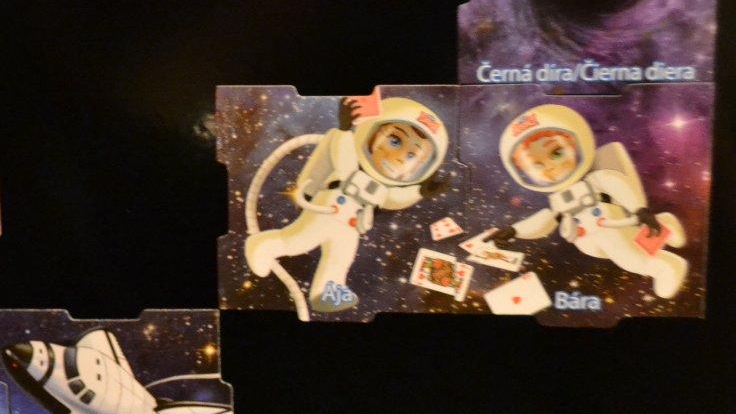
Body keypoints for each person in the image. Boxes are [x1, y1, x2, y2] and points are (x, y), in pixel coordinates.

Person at [246, 95, 449, 312]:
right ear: (372, 133)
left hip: (351, 225)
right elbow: (341, 152)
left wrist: (420, 191)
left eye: (412, 156)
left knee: (340, 260)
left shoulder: (385, 191)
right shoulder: (349, 164)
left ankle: (326, 292)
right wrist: (344, 130)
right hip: (330, 209)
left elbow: (396, 199)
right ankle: (262, 247)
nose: (399, 158)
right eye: (395, 141)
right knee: (299, 241)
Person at [486, 103, 687, 298]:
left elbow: (616, 184)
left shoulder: (594, 180)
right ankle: (664, 225)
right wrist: (515, 231)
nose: (550, 167)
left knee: (630, 259)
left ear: (575, 143)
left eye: (556, 152)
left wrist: (639, 208)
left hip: (605, 223)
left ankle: (665, 267)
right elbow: (545, 221)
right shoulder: (557, 200)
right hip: (590, 238)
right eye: (536, 166)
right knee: (624, 243)